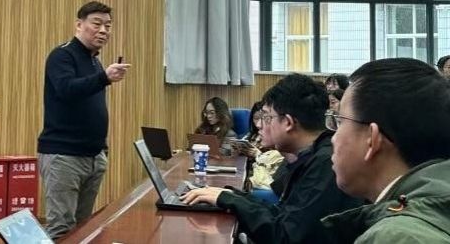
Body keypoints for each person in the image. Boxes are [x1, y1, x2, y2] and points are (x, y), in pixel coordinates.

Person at [181, 73, 362, 244]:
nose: (260, 125)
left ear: (288, 123)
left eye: (267, 117)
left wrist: (230, 200)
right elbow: (282, 214)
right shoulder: (312, 157)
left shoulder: (327, 164)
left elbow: (284, 236)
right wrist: (230, 195)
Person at [322, 58, 450, 243]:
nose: (333, 138)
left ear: (372, 139)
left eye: (340, 121)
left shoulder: (395, 237)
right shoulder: (437, 207)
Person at [36, 1, 131, 239]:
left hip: (94, 156)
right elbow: (67, 89)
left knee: (82, 229)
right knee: (61, 229)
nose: (103, 30)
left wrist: (102, 151)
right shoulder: (62, 55)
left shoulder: (94, 60)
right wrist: (104, 77)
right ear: (79, 25)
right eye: (97, 24)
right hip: (64, 155)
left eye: (108, 26)